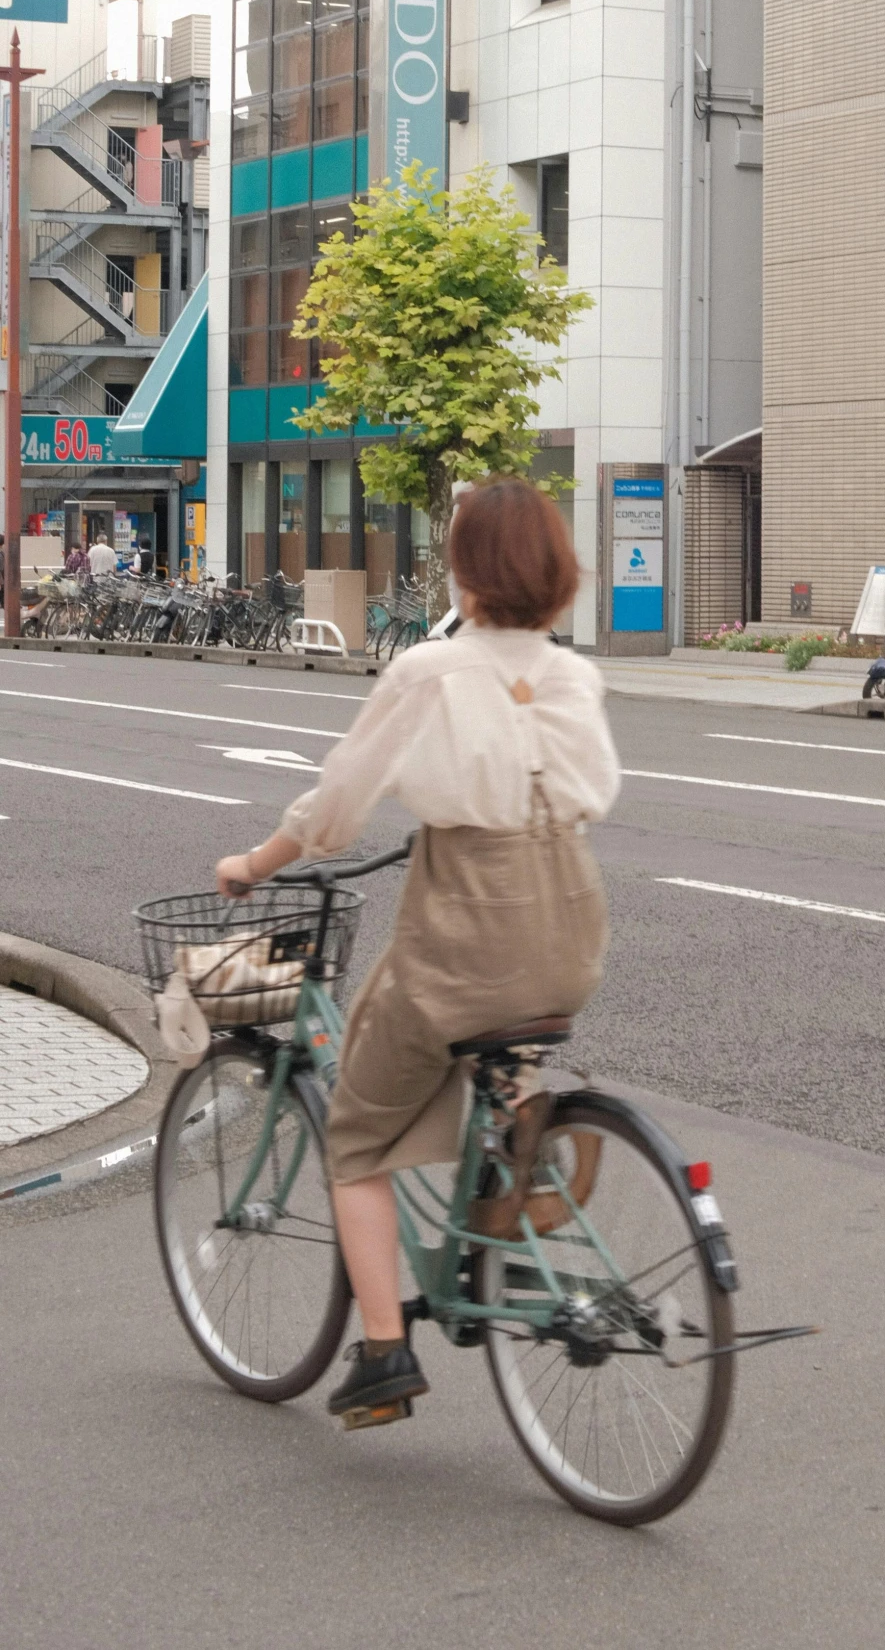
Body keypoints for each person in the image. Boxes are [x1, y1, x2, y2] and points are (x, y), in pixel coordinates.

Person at [213, 478, 620, 1427]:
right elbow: (592, 787)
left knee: (358, 1133)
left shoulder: (429, 671)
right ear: (555, 574)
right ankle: (525, 1137)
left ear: (464, 573)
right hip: (567, 915)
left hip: (468, 916)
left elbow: (337, 806)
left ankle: (387, 1353)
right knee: (500, 1046)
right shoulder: (574, 674)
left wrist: (255, 862)